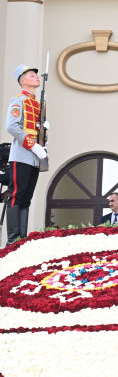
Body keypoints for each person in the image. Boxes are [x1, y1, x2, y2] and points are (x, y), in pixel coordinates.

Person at [5, 64, 48, 244]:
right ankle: (13, 239)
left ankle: (22, 238)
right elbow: (12, 126)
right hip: (22, 154)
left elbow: (37, 131)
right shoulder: (18, 100)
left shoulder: (37, 103)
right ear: (22, 81)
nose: (36, 77)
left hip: (34, 158)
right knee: (16, 195)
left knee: (26, 198)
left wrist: (45, 131)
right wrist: (32, 145)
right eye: (31, 75)